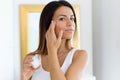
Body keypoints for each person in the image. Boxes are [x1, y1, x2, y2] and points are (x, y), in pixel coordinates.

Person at [22, 0, 88, 80]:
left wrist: (52, 50)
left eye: (72, 18)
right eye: (62, 19)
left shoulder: (79, 55)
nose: (70, 23)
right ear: (48, 24)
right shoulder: (32, 58)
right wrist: (24, 77)